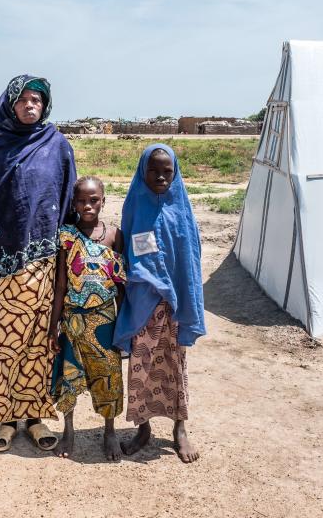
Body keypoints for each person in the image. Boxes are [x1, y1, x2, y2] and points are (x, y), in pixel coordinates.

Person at [0, 74, 77, 453]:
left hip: (46, 260)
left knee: (39, 340)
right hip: (3, 261)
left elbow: (66, 197)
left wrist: (69, 249)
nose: (31, 106)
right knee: (4, 339)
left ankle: (33, 416)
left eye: (37, 100)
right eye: (24, 100)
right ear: (10, 104)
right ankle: (3, 416)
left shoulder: (57, 145)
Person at [113, 144, 206, 463]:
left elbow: (190, 257)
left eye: (167, 170)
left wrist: (178, 290)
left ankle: (180, 428)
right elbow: (128, 252)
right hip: (145, 301)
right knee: (142, 366)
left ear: (175, 171)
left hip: (175, 303)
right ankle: (143, 427)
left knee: (176, 366)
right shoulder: (135, 204)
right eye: (154, 170)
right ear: (143, 170)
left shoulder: (181, 207)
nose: (161, 176)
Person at [48, 176, 126, 461]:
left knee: (109, 376)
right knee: (69, 376)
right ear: (74, 204)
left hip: (105, 320)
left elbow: (120, 285)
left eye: (93, 200)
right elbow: (60, 286)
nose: (87, 205)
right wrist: (52, 327)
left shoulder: (114, 235)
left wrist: (124, 327)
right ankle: (68, 430)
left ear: (103, 200)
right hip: (73, 320)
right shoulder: (67, 236)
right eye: (81, 201)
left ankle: (109, 431)